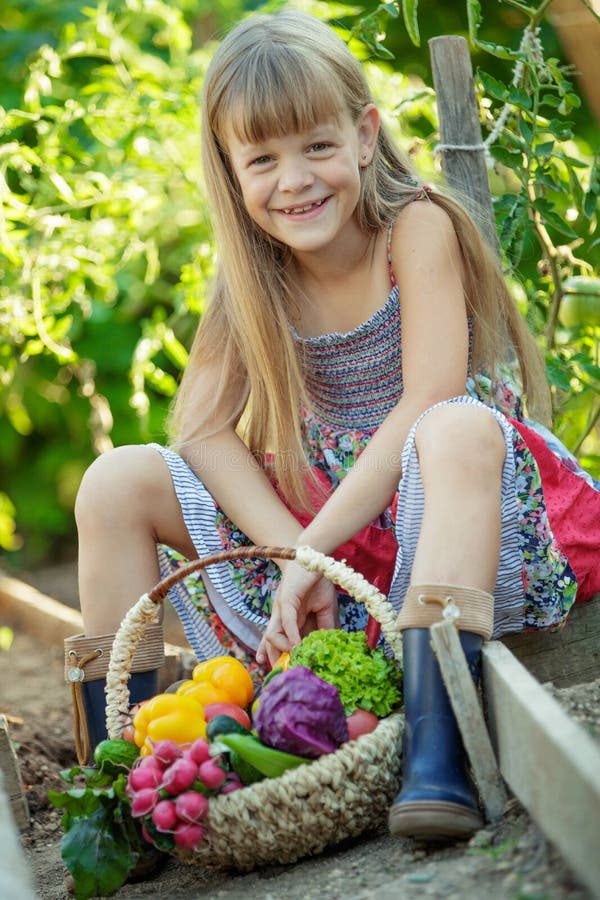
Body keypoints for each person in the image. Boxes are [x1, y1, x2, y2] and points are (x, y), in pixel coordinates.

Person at [66, 8, 600, 842]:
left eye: (317, 146)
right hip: (325, 538)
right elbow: (200, 430)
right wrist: (292, 553)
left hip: (450, 519)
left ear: (363, 135)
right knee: (115, 481)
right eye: (263, 159)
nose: (295, 180)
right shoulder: (253, 276)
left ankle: (440, 754)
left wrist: (312, 551)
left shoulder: (416, 227)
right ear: (232, 173)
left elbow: (428, 395)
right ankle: (124, 788)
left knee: (453, 428)